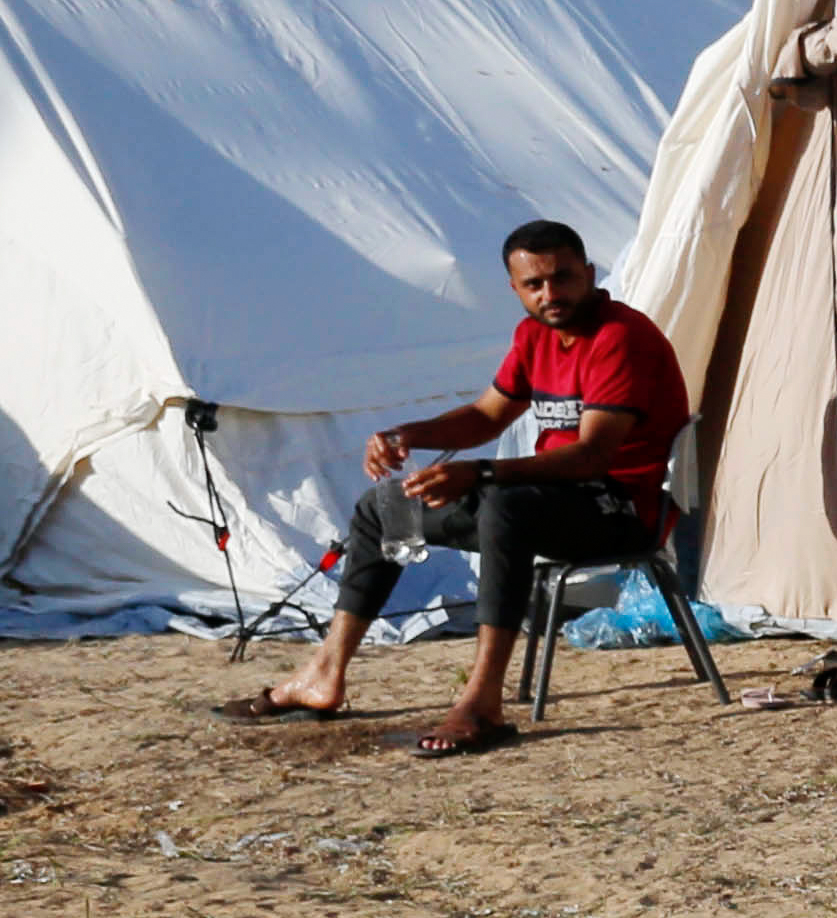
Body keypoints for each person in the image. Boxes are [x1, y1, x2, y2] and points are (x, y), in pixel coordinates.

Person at [232, 219, 690, 759]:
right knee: (385, 507)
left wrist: (482, 474)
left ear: (589, 275)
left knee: (504, 507)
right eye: (534, 285)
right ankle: (324, 674)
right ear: (515, 289)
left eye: (562, 279)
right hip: (541, 504)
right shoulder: (534, 336)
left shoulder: (619, 337)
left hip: (617, 511)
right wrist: (408, 436)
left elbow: (593, 456)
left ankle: (482, 703)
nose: (551, 294)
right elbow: (485, 416)